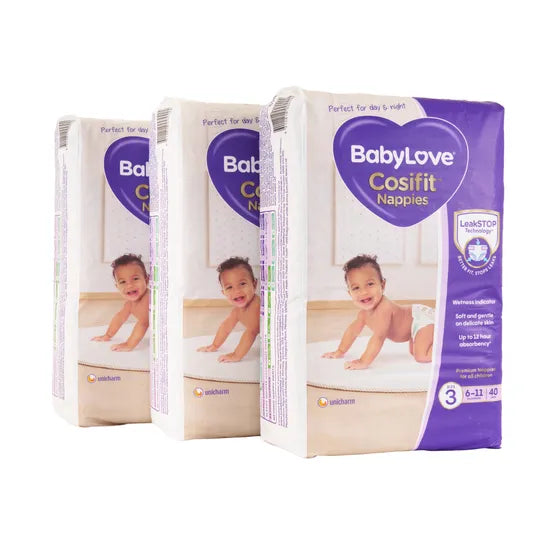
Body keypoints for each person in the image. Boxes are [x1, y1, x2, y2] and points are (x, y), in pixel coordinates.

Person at [322, 254, 434, 369]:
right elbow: (352, 332)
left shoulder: (384, 308)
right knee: (414, 351)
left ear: (382, 285)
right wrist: (340, 351)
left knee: (422, 355)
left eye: (370, 284)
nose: (364, 292)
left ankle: (446, 349)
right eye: (356, 288)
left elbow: (379, 337)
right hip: (413, 324)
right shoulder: (363, 315)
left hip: (421, 318)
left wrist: (363, 361)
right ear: (350, 293)